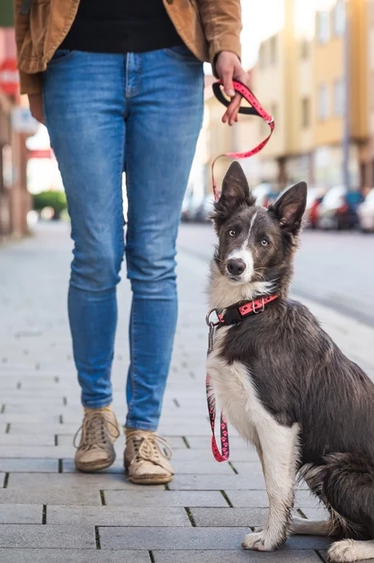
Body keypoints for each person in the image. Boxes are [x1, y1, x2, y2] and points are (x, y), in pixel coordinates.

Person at [15, 0, 247, 485]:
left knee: (155, 257)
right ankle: (96, 414)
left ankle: (144, 428)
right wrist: (32, 75)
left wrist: (226, 46)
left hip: (172, 63)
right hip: (75, 62)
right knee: (96, 255)